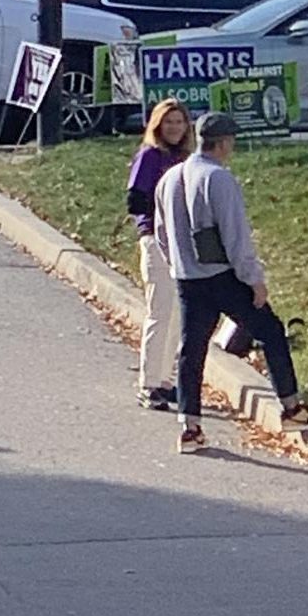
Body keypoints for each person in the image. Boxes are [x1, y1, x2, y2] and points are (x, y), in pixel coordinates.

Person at [157, 111, 308, 453]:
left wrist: (177, 263)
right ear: (223, 143)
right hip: (223, 276)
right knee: (271, 331)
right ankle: (292, 407)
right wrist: (254, 281)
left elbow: (162, 233)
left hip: (187, 277)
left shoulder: (171, 178)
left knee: (192, 349)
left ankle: (190, 427)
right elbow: (236, 238)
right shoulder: (218, 178)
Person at [126, 99, 191, 410]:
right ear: (157, 125)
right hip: (155, 239)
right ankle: (148, 383)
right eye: (169, 122)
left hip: (181, 242)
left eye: (179, 122)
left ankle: (166, 381)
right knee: (159, 310)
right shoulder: (150, 156)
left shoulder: (185, 158)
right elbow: (135, 200)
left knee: (177, 313)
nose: (175, 128)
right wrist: (163, 212)